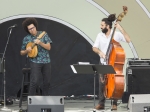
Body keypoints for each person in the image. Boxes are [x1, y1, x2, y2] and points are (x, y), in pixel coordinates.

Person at [92, 14, 131, 110]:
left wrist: (120, 28)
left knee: (115, 83)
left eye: (102, 25)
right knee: (102, 83)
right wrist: (100, 52)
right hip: (103, 62)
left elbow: (128, 40)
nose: (100, 27)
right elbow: (94, 48)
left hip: (113, 64)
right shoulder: (99, 35)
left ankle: (114, 103)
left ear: (108, 26)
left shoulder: (116, 34)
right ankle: (101, 103)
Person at [20, 18, 52, 95]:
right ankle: (31, 101)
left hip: (46, 61)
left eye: (33, 28)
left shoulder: (43, 34)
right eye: (29, 29)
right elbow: (21, 52)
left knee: (47, 81)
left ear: (35, 26)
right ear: (27, 30)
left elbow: (49, 47)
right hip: (35, 62)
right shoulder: (26, 38)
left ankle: (45, 100)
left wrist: (40, 43)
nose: (32, 30)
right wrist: (26, 51)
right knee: (34, 81)